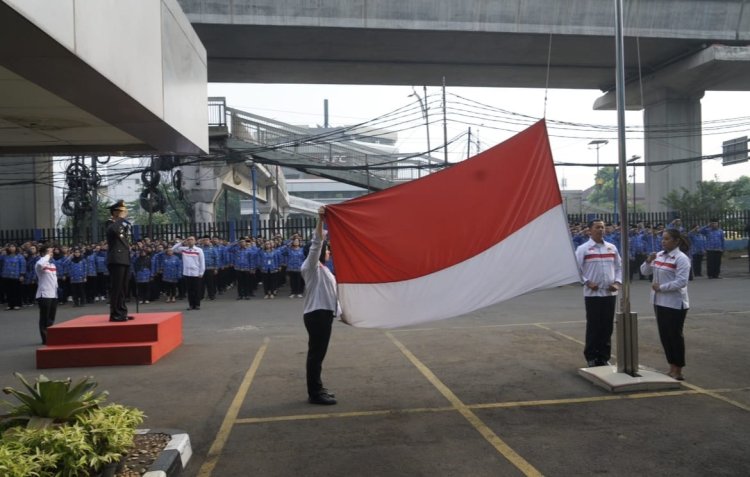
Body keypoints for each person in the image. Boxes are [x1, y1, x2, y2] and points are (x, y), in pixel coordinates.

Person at [301, 206, 340, 405]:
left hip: (324, 314)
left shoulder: (324, 270)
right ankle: (315, 393)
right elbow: (317, 244)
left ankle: (318, 387)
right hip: (316, 315)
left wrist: (340, 313)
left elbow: (331, 295)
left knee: (318, 354)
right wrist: (321, 220)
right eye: (328, 250)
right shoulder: (310, 267)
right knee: (316, 355)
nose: (329, 252)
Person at [640, 228, 691, 381]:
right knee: (665, 336)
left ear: (676, 241)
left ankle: (678, 369)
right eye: (663, 238)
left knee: (674, 336)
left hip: (674, 303)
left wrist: (661, 288)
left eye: (667, 239)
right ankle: (671, 367)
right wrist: (648, 260)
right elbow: (644, 272)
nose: (663, 241)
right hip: (659, 301)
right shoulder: (659, 255)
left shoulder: (681, 258)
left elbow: (682, 281)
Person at [575, 219, 622, 367]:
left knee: (607, 326)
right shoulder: (583, 249)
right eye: (597, 227)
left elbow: (619, 267)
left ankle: (604, 357)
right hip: (592, 294)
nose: (601, 230)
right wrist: (587, 282)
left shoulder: (611, 248)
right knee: (594, 326)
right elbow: (577, 270)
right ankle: (591, 357)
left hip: (609, 294)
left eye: (602, 227)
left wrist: (617, 283)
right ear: (590, 230)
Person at [106, 200, 134, 322]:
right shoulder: (110, 223)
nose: (125, 213)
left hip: (124, 258)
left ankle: (122, 312)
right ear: (115, 213)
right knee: (116, 288)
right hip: (116, 259)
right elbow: (114, 230)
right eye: (122, 211)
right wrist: (121, 219)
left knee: (123, 287)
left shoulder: (121, 225)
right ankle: (115, 314)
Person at [172, 236, 205, 310]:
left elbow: (202, 262)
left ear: (195, 241)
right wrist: (181, 242)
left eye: (192, 240)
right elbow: (173, 249)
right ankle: (191, 305)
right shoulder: (184, 249)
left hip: (196, 272)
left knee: (196, 289)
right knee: (189, 290)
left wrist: (201, 272)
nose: (190, 241)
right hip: (187, 272)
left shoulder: (199, 250)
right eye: (189, 240)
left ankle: (197, 304)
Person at [36, 245, 58, 344]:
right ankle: (45, 338)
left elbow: (54, 280)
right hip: (44, 294)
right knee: (44, 317)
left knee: (51, 317)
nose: (51, 254)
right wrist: (47, 255)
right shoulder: (39, 264)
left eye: (51, 252)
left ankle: (50, 336)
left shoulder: (52, 265)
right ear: (42, 253)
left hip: (53, 294)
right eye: (48, 252)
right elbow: (41, 263)